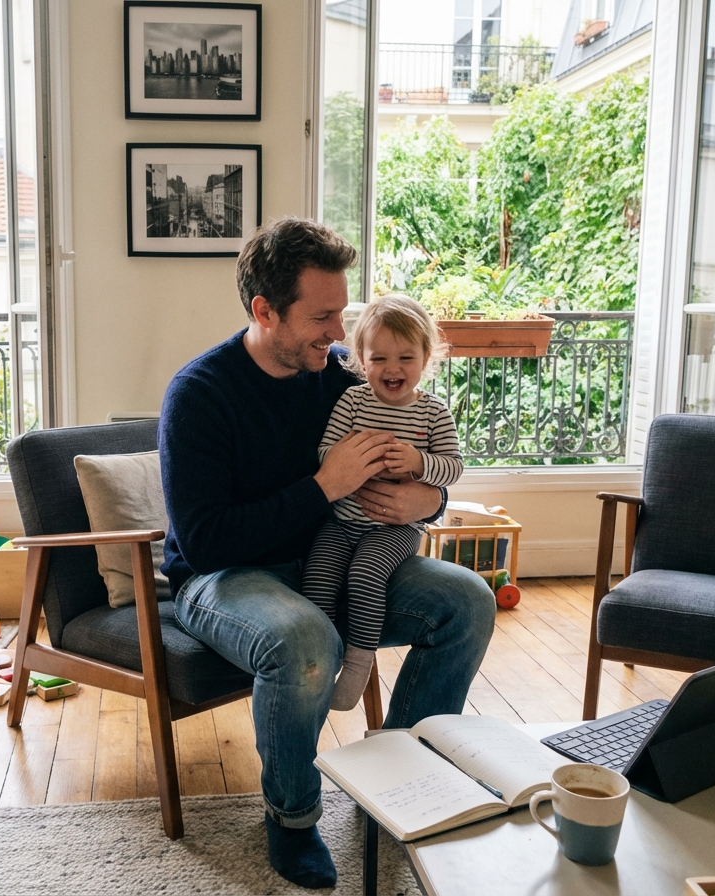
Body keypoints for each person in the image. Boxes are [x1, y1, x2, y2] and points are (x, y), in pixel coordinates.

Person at [158, 217, 495, 889]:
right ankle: (292, 818)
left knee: (468, 601)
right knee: (304, 639)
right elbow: (206, 541)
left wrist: (427, 501)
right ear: (265, 311)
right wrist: (323, 486)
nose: (339, 333)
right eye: (321, 317)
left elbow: (412, 457)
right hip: (224, 577)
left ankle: (399, 781)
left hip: (339, 555)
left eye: (341, 313)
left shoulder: (341, 377)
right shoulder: (200, 395)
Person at [304, 294, 464, 712]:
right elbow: (324, 451)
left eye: (406, 358)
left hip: (395, 530)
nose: (393, 369)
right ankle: (324, 659)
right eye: (379, 359)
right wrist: (349, 461)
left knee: (365, 575)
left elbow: (453, 468)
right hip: (342, 521)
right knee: (317, 577)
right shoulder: (353, 402)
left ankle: (357, 664)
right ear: (361, 359)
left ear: (426, 357)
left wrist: (418, 462)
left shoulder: (433, 413)